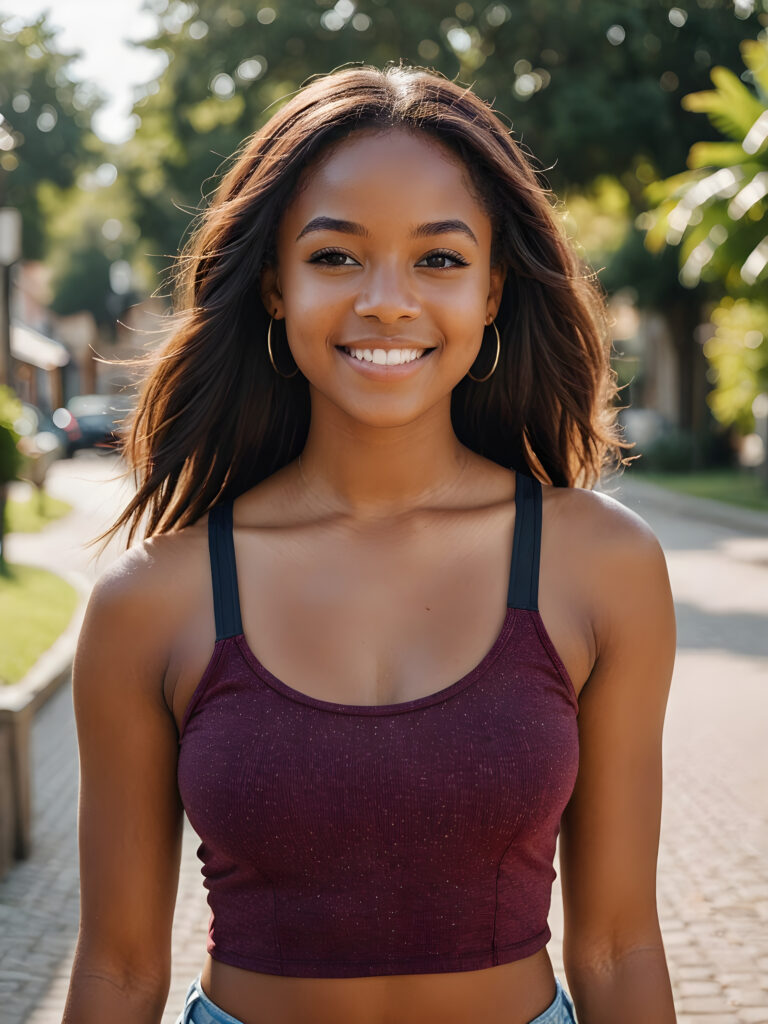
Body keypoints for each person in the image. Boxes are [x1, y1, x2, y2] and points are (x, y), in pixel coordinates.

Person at [62, 62, 678, 1024]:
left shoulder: (601, 566)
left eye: (438, 259)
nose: (388, 302)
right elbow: (119, 969)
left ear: (492, 290)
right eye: (336, 257)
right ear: (273, 285)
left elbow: (617, 945)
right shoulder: (153, 601)